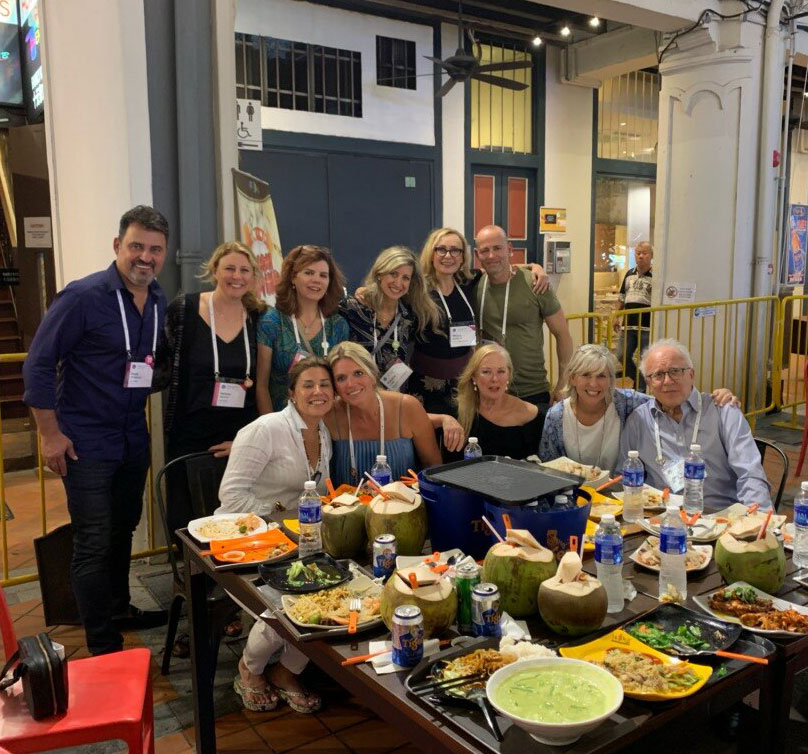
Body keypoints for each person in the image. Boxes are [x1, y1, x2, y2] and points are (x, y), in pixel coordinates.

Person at [22, 205, 170, 655]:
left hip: (131, 437)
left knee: (123, 530)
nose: (145, 257)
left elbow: (150, 365)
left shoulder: (160, 298)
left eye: (155, 250)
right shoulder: (82, 297)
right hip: (85, 440)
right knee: (93, 540)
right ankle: (102, 643)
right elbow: (38, 364)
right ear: (117, 247)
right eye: (136, 247)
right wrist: (49, 435)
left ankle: (119, 607)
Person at [154, 241, 266, 648]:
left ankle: (234, 607)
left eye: (244, 271)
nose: (237, 277)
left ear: (253, 277)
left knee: (235, 522)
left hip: (238, 437)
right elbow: (161, 362)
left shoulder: (258, 315)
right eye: (229, 269)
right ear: (214, 269)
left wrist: (245, 437)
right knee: (188, 524)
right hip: (188, 433)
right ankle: (194, 618)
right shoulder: (184, 311)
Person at [219, 357, 333, 713]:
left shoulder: (322, 430)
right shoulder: (265, 429)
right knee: (287, 603)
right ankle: (249, 669)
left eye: (325, 385)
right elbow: (231, 498)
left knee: (334, 592)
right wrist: (284, 515)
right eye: (309, 385)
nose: (318, 392)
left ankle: (287, 671)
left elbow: (318, 491)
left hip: (295, 543)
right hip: (244, 543)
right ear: (292, 394)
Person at [410, 227, 550, 416]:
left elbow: (499, 266)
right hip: (426, 382)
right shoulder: (416, 289)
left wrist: (535, 267)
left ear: (462, 257)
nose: (448, 256)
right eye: (441, 249)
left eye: (455, 250)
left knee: (463, 435)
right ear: (431, 253)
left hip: (463, 382)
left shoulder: (468, 281)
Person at [540, 344, 739, 473]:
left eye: (602, 376)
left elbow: (669, 395)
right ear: (573, 378)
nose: (594, 384)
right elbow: (548, 469)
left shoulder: (628, 403)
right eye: (585, 375)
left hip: (616, 498)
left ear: (611, 380)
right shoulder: (557, 417)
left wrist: (720, 396)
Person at [620, 339, 770, 509]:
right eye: (658, 375)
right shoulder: (638, 420)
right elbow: (624, 476)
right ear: (648, 383)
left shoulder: (723, 411)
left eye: (675, 371)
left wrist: (759, 519)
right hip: (661, 519)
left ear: (691, 375)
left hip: (720, 517)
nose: (668, 381)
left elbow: (750, 474)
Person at [473, 225, 572, 415]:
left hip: (531, 391)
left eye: (497, 248)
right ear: (478, 255)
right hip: (490, 392)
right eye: (485, 250)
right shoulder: (476, 285)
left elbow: (563, 335)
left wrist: (563, 383)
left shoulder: (535, 283)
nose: (492, 255)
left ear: (509, 249)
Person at [325, 341, 445, 483]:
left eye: (358, 373)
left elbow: (433, 468)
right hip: (345, 504)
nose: (351, 384)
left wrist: (444, 419)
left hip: (405, 503)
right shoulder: (330, 414)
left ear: (373, 374)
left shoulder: (406, 407)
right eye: (341, 378)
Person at [256, 245, 348, 413]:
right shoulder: (272, 322)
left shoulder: (338, 325)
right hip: (282, 420)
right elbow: (261, 386)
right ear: (293, 277)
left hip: (326, 421)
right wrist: (271, 428)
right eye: (309, 273)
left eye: (323, 275)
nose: (316, 280)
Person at [340, 246, 440, 392]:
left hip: (393, 397)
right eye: (393, 274)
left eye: (405, 278)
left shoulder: (409, 316)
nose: (398, 283)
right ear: (380, 273)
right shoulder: (352, 308)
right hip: (356, 394)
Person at [455, 344, 542, 460]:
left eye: (501, 372)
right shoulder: (458, 411)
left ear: (509, 375)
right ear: (473, 377)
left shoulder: (533, 416)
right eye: (486, 372)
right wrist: (443, 419)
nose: (494, 379)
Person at [614, 241, 653, 391]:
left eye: (644, 253)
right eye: (638, 253)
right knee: (621, 355)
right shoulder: (629, 274)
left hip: (646, 325)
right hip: (628, 324)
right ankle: (638, 380)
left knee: (646, 360)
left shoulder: (655, 276)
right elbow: (622, 296)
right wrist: (616, 315)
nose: (641, 256)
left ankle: (642, 389)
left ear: (651, 256)